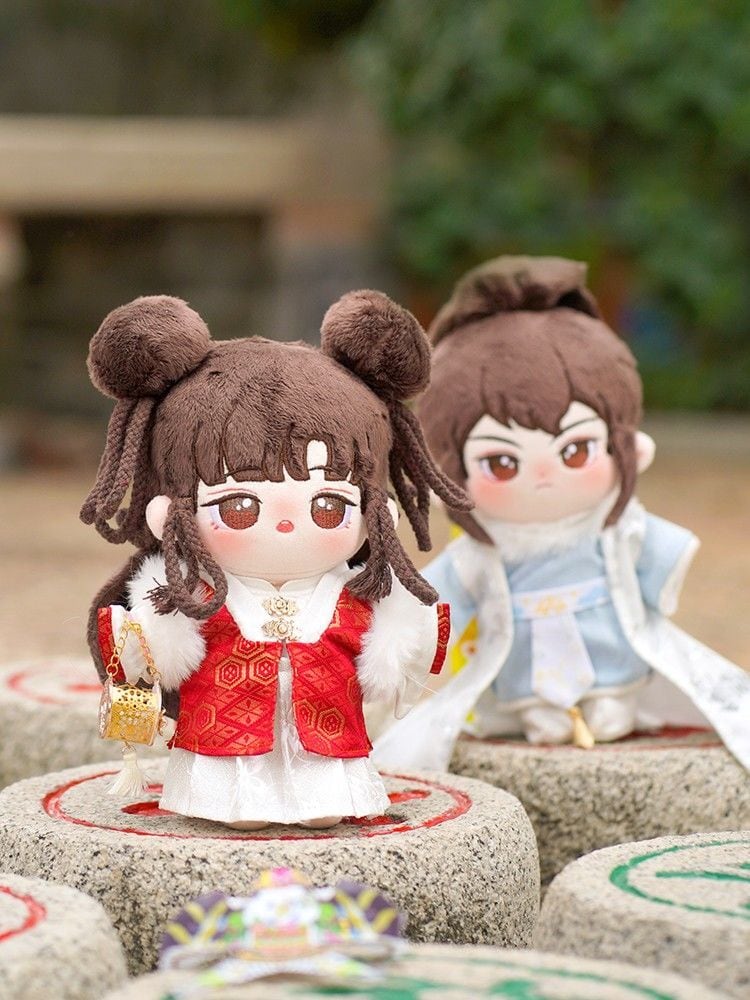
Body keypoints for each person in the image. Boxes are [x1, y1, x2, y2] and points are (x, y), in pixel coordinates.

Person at [83, 292, 465, 826]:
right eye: (239, 506)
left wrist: (403, 637)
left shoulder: (350, 592)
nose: (287, 524)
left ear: (377, 513)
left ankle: (324, 799)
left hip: (328, 732)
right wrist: (144, 644)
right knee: (231, 779)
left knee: (325, 788)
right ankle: (228, 802)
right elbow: (160, 649)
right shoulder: (192, 594)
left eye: (329, 505)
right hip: (223, 733)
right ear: (169, 513)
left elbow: (394, 646)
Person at [374, 256, 750, 772]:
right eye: (502, 463)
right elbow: (438, 607)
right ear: (450, 477)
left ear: (626, 449)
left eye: (575, 451)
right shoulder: (480, 556)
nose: (544, 475)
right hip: (523, 681)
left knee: (613, 705)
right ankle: (539, 711)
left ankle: (611, 701)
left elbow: (660, 566)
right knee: (540, 717)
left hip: (616, 668)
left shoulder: (617, 533)